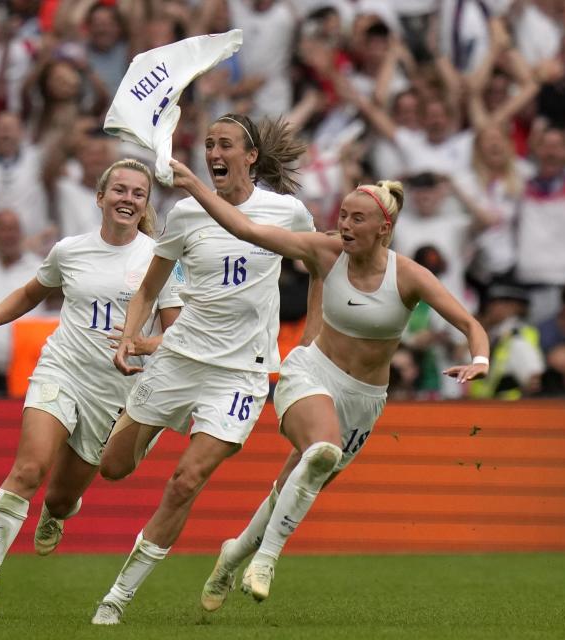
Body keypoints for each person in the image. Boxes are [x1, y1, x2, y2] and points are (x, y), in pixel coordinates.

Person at [164, 158, 489, 610]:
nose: (346, 225)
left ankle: (235, 553)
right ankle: (266, 561)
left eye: (358, 218)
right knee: (321, 452)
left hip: (366, 400)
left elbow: (470, 324)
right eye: (342, 216)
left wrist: (479, 359)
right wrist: (196, 186)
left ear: (384, 228)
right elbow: (247, 230)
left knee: (298, 481)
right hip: (312, 371)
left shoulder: (409, 276)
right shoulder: (325, 252)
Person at [89, 113, 319, 625]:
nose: (214, 153)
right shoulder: (188, 214)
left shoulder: (287, 213)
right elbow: (150, 287)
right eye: (209, 144)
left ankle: (118, 597)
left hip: (241, 374)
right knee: (113, 467)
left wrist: (314, 340)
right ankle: (140, 429)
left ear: (251, 156)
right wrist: (132, 336)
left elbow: (324, 264)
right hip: (179, 358)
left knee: (185, 481)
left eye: (226, 145)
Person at [0, 159, 183, 614]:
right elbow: (32, 292)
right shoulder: (69, 250)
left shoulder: (159, 259)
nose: (128, 199)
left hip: (114, 392)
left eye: (138, 193)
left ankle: (56, 514)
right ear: (100, 198)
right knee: (29, 468)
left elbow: (177, 333)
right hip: (62, 370)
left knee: (60, 498)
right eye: (119, 190)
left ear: (145, 205)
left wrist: (139, 342)